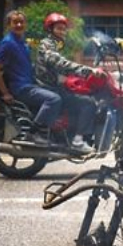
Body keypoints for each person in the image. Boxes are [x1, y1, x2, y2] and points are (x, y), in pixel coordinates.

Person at [35, 12, 105, 154]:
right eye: (58, 28)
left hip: (54, 86)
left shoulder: (55, 45)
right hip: (49, 87)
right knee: (88, 102)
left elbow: (62, 68)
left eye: (63, 28)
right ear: (50, 29)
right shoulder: (47, 44)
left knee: (80, 96)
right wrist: (89, 71)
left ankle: (71, 135)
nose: (62, 31)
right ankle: (77, 141)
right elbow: (61, 64)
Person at [0, 10, 62, 146]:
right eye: (15, 22)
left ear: (25, 24)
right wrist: (5, 93)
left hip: (29, 85)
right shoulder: (8, 43)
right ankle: (35, 133)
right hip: (21, 88)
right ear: (9, 25)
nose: (18, 24)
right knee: (54, 99)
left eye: (21, 22)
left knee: (59, 92)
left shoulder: (23, 43)